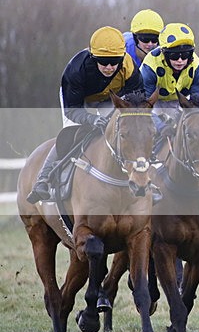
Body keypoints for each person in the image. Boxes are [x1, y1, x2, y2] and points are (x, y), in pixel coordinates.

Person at [27, 26, 143, 203]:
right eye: (103, 62)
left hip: (109, 98)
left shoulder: (130, 68)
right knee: (71, 133)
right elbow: (72, 110)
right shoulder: (76, 70)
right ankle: (43, 179)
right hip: (79, 102)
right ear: (93, 57)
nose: (110, 67)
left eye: (115, 62)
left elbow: (135, 103)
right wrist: (92, 119)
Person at [140, 22, 199, 122]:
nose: (180, 60)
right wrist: (161, 127)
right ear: (164, 54)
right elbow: (145, 108)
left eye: (185, 55)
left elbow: (198, 104)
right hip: (154, 102)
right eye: (174, 56)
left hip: (179, 101)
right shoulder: (150, 67)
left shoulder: (197, 67)